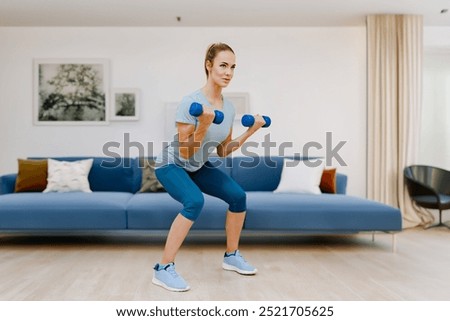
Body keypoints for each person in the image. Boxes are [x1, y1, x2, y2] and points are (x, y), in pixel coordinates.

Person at [153, 42, 266, 292]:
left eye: (233, 67)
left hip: (197, 165)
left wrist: (251, 131)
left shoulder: (228, 107)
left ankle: (232, 256)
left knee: (238, 196)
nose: (228, 72)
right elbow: (184, 151)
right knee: (194, 201)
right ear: (208, 65)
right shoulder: (190, 102)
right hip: (171, 164)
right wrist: (203, 123)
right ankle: (163, 269)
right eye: (223, 65)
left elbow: (223, 150)